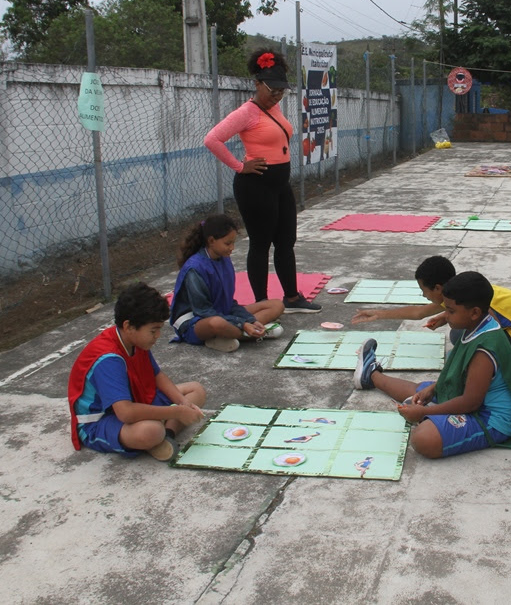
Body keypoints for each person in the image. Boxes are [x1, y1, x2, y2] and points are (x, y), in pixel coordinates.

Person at [351, 271, 511, 459]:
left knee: (424, 438)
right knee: (420, 391)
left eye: (451, 311)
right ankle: (371, 375)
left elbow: (471, 402)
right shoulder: (482, 321)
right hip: (472, 399)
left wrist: (426, 411)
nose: (446, 316)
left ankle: (429, 415)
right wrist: (435, 387)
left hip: (490, 418)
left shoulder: (483, 353)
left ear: (474, 313)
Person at [203, 48, 321, 313]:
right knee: (260, 244)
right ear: (257, 85)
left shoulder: (275, 107)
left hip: (280, 185)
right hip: (256, 186)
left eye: (281, 91)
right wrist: (239, 166)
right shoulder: (248, 112)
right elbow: (212, 139)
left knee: (286, 241)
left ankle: (291, 298)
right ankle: (261, 304)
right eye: (272, 90)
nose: (277, 96)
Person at [67, 282, 206, 462]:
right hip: (102, 419)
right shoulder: (108, 359)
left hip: (134, 398)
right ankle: (158, 435)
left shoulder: (134, 339)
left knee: (196, 391)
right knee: (151, 431)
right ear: (129, 326)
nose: (157, 336)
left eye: (159, 330)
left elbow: (157, 375)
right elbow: (126, 413)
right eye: (153, 330)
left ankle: (168, 436)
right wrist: (176, 413)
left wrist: (182, 404)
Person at [351, 255, 511, 357]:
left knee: (459, 333)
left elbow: (491, 324)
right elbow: (419, 312)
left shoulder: (462, 295)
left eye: (424, 291)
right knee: (459, 327)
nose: (423, 295)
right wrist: (379, 314)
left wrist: (471, 355)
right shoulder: (458, 288)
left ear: (438, 288)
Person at [169, 214, 284, 353]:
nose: (232, 248)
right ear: (211, 241)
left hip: (222, 312)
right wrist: (242, 323)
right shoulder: (194, 269)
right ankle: (250, 334)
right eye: (228, 243)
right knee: (217, 323)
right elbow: (204, 311)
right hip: (197, 321)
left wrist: (250, 320)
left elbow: (229, 302)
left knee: (277, 305)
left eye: (233, 242)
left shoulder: (223, 258)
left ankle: (239, 333)